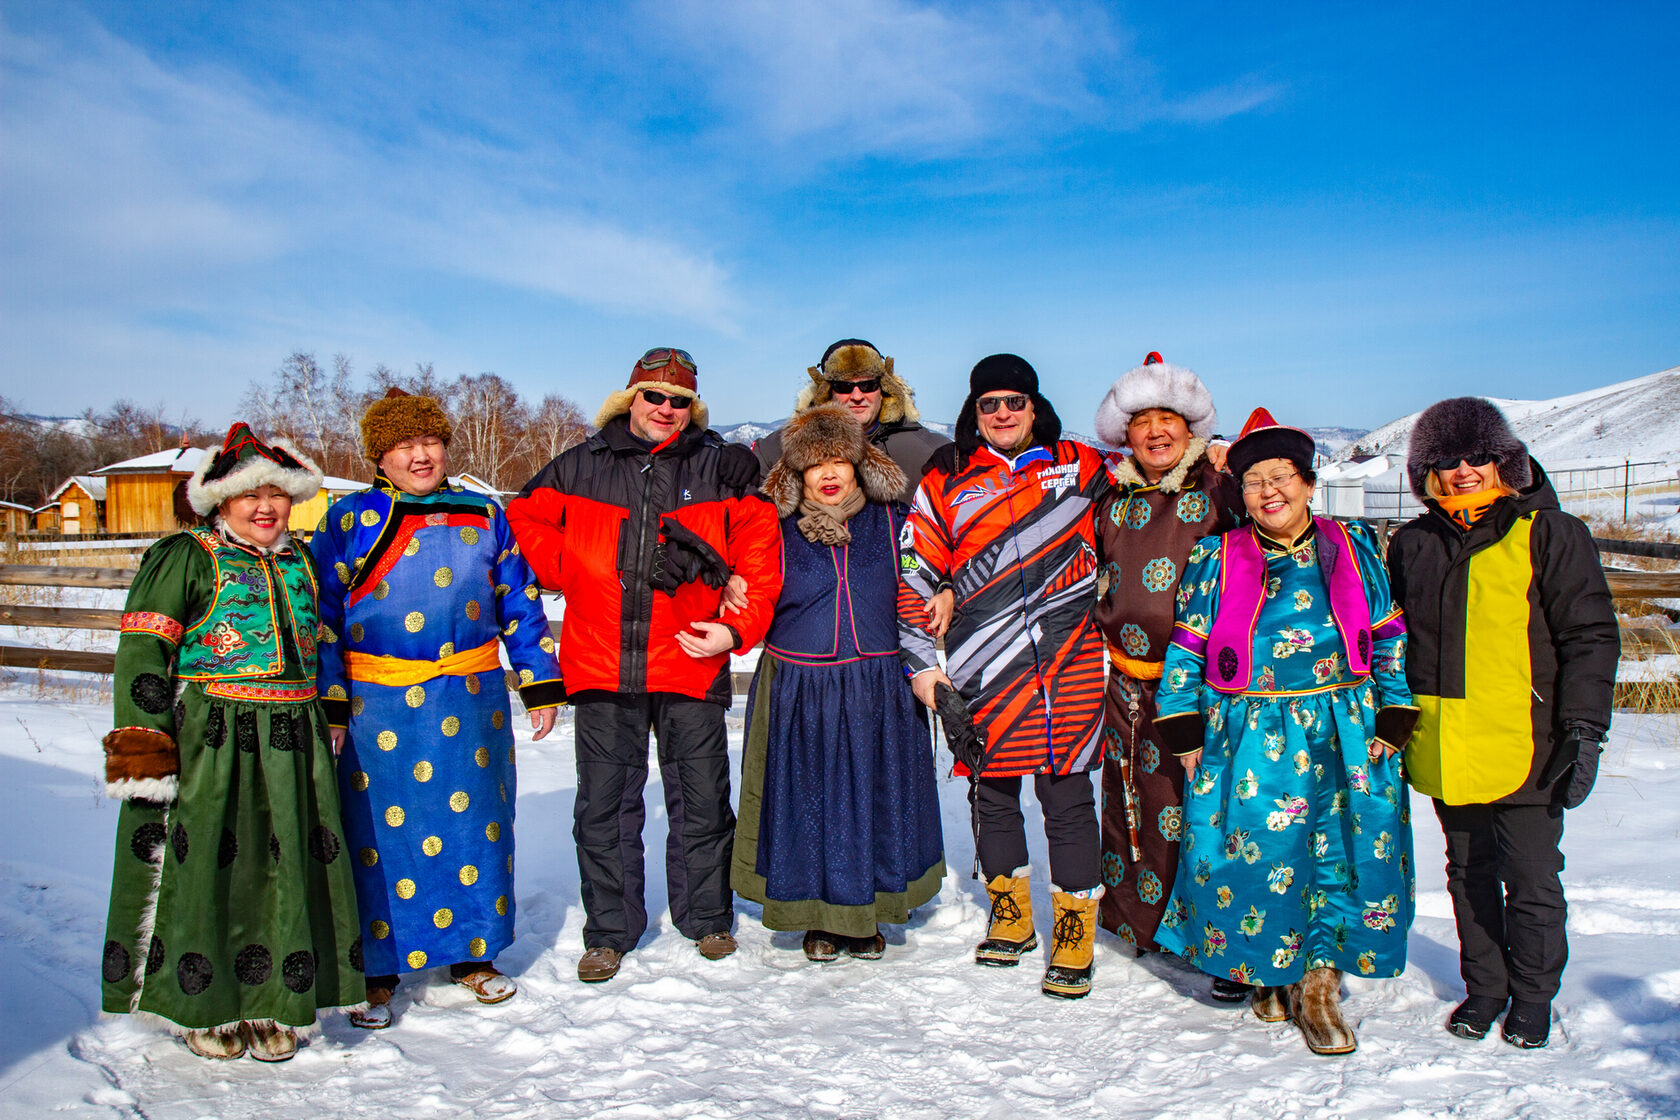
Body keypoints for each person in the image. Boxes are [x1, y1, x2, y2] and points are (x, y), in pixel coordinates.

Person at [508, 347, 782, 983]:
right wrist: (568, 563)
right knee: (604, 806)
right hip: (603, 663)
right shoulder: (581, 464)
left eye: (679, 400)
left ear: (693, 408)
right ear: (629, 399)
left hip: (690, 658)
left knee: (703, 800)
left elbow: (762, 553)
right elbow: (523, 519)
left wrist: (735, 629)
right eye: (653, 396)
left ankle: (707, 917)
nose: (665, 409)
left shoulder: (721, 469)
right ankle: (610, 929)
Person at [1151, 408, 1419, 1055]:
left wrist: (1395, 710)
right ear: (1240, 494)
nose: (1269, 492)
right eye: (1254, 482)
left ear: (1307, 483)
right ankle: (1274, 970)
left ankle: (1318, 987)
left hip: (1345, 729)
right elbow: (1186, 649)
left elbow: (1387, 635)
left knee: (1343, 858)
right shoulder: (1217, 556)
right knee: (1259, 860)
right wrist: (1185, 729)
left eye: (1282, 478)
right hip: (1248, 735)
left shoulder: (1353, 546)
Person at [99, 423, 360, 1061]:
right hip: (212, 740)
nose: (266, 507)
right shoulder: (186, 555)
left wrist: (331, 711)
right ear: (221, 501)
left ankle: (276, 1003)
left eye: (277, 494)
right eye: (251, 496)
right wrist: (145, 748)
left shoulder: (301, 559)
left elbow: (324, 645)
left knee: (283, 871)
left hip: (291, 740)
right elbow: (142, 653)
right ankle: (204, 1009)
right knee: (211, 869)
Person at [311, 389, 565, 1029]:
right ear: (379, 455)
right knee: (377, 834)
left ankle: (473, 956)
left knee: (473, 825)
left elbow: (519, 599)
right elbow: (322, 623)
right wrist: (334, 706)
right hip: (378, 707)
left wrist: (538, 681)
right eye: (402, 445)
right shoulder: (347, 521)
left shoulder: (484, 513)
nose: (419, 456)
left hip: (471, 701)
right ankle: (379, 967)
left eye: (429, 441)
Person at [1387, 397, 1617, 1049]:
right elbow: (1390, 640)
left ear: (1504, 462)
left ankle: (1535, 995)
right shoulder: (1413, 544)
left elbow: (1591, 636)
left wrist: (1584, 728)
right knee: (1468, 873)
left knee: (1534, 878)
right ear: (1426, 471)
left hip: (1530, 744)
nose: (1463, 471)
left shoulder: (1549, 533)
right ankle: (1485, 987)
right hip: (1445, 742)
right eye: (1446, 459)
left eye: (1477, 456)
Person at [898, 353, 1111, 999]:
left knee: (1067, 796)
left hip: (1068, 657)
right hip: (982, 662)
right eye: (989, 404)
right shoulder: (947, 477)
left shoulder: (1083, 465)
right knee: (993, 797)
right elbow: (913, 571)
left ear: (1034, 406)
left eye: (1014, 402)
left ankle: (1075, 927)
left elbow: (1145, 503)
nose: (1002, 414)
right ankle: (1010, 915)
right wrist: (923, 666)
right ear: (975, 411)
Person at [732, 404, 945, 961]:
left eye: (837, 460)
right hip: (800, 685)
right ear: (796, 474)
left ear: (858, 464)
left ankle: (869, 913)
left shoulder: (892, 521)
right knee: (807, 803)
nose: (827, 473)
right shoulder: (773, 529)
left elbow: (931, 571)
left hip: (879, 685)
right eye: (813, 464)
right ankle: (814, 918)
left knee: (874, 799)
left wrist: (943, 591)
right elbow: (746, 588)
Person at [1089, 353, 1244, 982]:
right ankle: (1139, 923)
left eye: (1168, 419)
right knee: (1133, 801)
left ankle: (1215, 934)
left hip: (1206, 685)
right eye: (1142, 420)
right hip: (1124, 679)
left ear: (1191, 429)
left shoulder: (1218, 487)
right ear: (1124, 434)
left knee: (1205, 806)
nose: (1156, 432)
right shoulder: (1108, 492)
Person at [753, 338, 950, 504]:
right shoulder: (787, 445)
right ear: (827, 392)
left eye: (868, 385)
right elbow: (748, 484)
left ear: (884, 390)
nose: (857, 396)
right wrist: (735, 459)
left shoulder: (927, 450)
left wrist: (967, 454)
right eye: (844, 387)